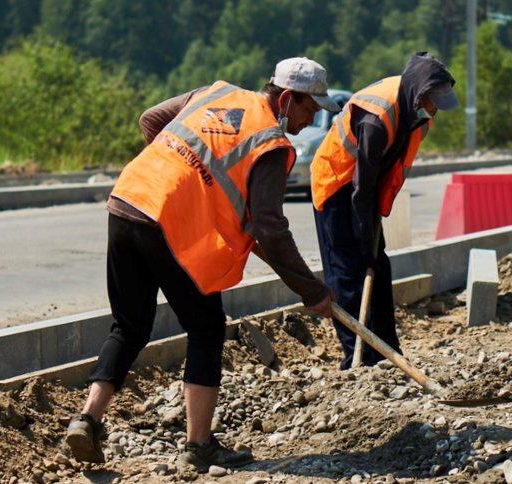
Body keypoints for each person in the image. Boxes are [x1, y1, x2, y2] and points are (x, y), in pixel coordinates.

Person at [64, 57, 339, 472]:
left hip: (129, 198)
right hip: (166, 222)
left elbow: (150, 120)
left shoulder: (217, 92)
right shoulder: (271, 144)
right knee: (207, 327)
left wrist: (181, 174)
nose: (313, 116)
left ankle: (87, 420)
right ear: (286, 98)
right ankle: (199, 445)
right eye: (309, 108)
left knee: (130, 325)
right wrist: (312, 289)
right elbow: (271, 230)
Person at [310, 52, 458, 369]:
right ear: (420, 92)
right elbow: (360, 186)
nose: (433, 111)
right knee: (348, 273)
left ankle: (387, 352)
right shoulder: (377, 118)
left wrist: (371, 240)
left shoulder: (413, 107)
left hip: (366, 190)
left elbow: (376, 178)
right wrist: (365, 235)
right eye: (432, 102)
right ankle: (358, 359)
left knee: (378, 266)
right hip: (337, 184)